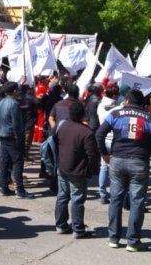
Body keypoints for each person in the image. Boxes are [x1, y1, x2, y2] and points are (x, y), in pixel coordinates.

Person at [96, 89, 151, 252]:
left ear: (126, 100)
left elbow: (99, 134)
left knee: (115, 199)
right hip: (139, 162)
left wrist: (104, 154)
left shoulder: (115, 114)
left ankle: (113, 238)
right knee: (137, 201)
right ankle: (133, 241)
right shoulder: (150, 118)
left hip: (118, 160)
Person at [54, 99, 99, 239]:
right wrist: (91, 170)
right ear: (82, 114)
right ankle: (78, 229)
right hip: (77, 170)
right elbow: (93, 155)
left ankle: (61, 225)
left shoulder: (62, 126)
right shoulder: (86, 132)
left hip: (63, 166)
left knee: (62, 196)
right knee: (77, 199)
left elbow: (55, 141)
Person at [0, 82, 29, 198]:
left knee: (5, 161)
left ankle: (4, 187)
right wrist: (19, 138)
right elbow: (16, 124)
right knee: (18, 161)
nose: (19, 92)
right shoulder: (14, 103)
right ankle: (20, 190)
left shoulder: (1, 102)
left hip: (2, 134)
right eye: (17, 90)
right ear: (14, 91)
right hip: (11, 136)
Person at [96, 83, 120, 204]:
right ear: (115, 95)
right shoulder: (118, 109)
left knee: (104, 167)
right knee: (116, 169)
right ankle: (115, 193)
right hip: (114, 140)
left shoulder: (100, 106)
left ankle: (102, 194)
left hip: (103, 139)